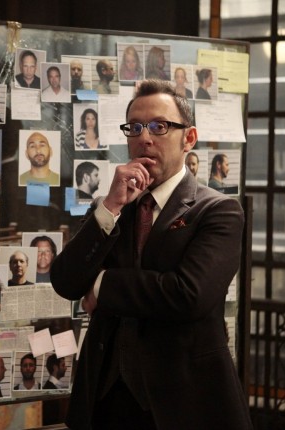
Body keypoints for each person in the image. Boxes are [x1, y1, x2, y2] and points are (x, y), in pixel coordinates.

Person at [50, 79, 252, 429]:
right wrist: (110, 206)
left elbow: (188, 295)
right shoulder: (111, 206)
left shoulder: (218, 210)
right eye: (135, 127)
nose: (145, 137)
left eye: (159, 126)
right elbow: (66, 281)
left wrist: (102, 285)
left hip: (183, 400)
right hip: (105, 396)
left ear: (189, 138)